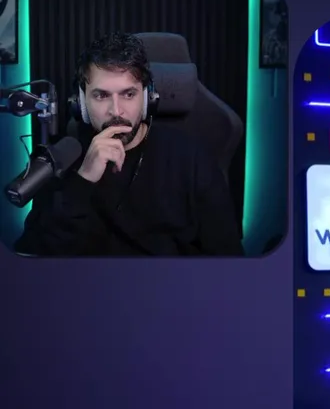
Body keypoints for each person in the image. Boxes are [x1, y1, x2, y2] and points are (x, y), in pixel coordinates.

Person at [13, 32, 243, 257]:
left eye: (128, 94)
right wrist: (83, 180)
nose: (116, 111)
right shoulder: (58, 159)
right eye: (101, 96)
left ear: (147, 98)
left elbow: (228, 258)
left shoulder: (192, 159)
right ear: (80, 103)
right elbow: (33, 256)